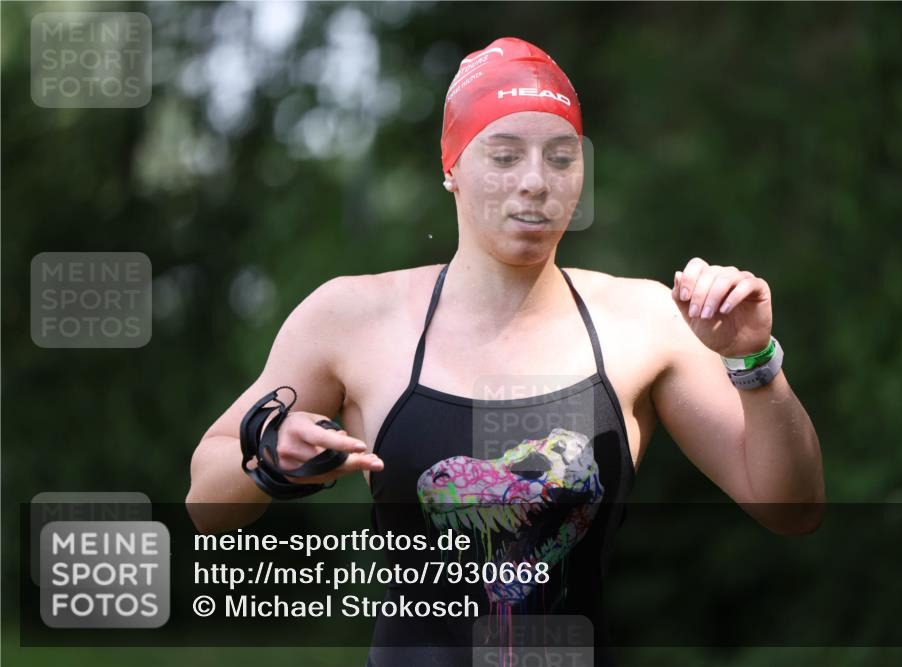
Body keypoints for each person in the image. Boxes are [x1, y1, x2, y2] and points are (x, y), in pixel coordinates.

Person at [186, 36, 825, 667]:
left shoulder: (645, 320)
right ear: (452, 168)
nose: (535, 183)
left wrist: (753, 360)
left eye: (561, 157)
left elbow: (793, 511)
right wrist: (265, 454)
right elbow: (204, 504)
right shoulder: (352, 318)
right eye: (504, 155)